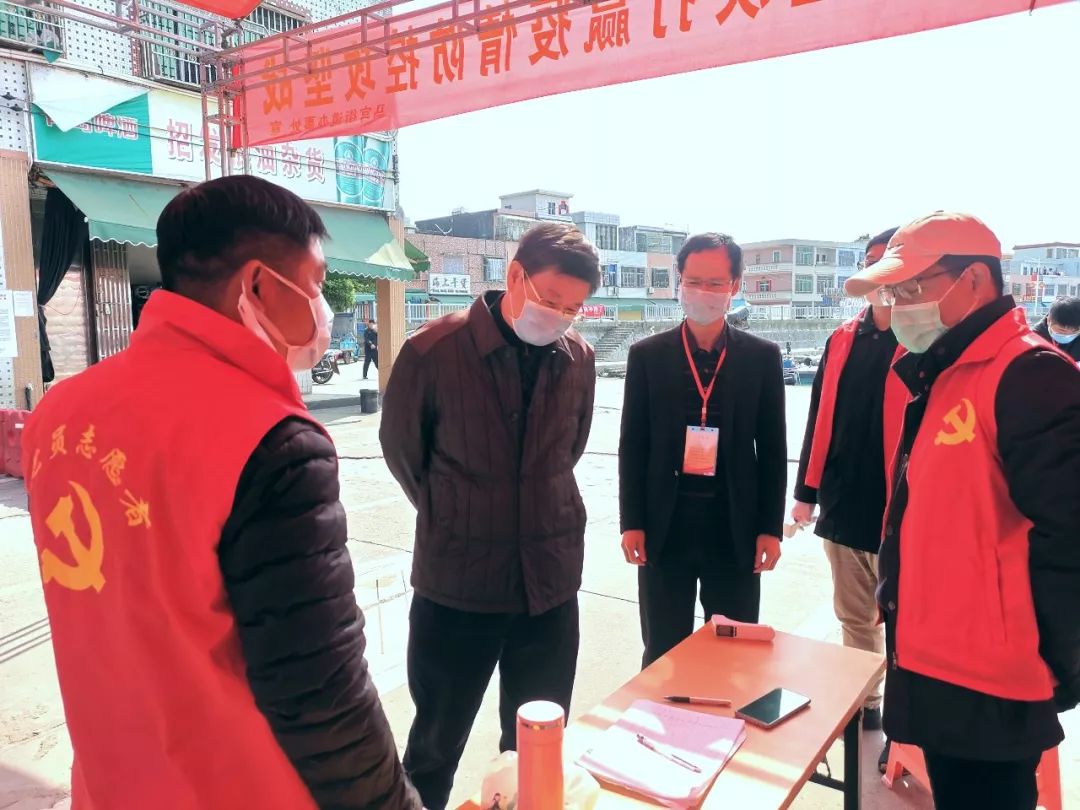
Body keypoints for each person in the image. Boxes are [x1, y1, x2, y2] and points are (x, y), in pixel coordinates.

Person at [21, 176, 419, 809]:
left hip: (109, 786)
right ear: (258, 285)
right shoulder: (271, 440)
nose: (321, 307)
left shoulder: (59, 413)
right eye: (316, 284)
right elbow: (319, 690)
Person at [844, 211, 1080, 810]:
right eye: (892, 294)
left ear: (973, 279)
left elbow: (1069, 535)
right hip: (935, 662)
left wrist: (1057, 666)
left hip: (993, 682)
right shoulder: (946, 372)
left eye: (910, 289)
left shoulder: (1029, 374)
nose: (898, 307)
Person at [379, 222, 600, 809]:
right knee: (435, 746)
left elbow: (569, 451)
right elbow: (404, 453)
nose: (559, 316)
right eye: (551, 299)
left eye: (572, 308)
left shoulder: (578, 359)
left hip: (548, 586)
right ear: (514, 275)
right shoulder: (433, 352)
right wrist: (460, 513)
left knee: (537, 748)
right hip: (458, 587)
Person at [619, 233, 787, 668]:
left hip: (734, 526)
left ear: (735, 285)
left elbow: (772, 449)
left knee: (733, 647)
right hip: (665, 525)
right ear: (679, 280)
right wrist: (632, 521)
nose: (703, 292)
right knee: (663, 648)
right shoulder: (647, 356)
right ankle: (661, 712)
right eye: (693, 281)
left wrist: (769, 528)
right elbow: (633, 445)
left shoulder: (761, 357)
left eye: (715, 283)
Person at [791, 227, 902, 768]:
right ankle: (868, 703)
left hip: (903, 512)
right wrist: (805, 494)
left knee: (907, 626)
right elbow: (819, 417)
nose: (881, 273)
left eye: (891, 261)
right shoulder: (842, 338)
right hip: (843, 504)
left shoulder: (928, 339)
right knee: (854, 616)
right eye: (872, 261)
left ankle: (907, 722)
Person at [1034, 296, 1080, 362]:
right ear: (1049, 320)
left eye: (1075, 331)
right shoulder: (1034, 338)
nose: (1068, 334)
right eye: (1062, 330)